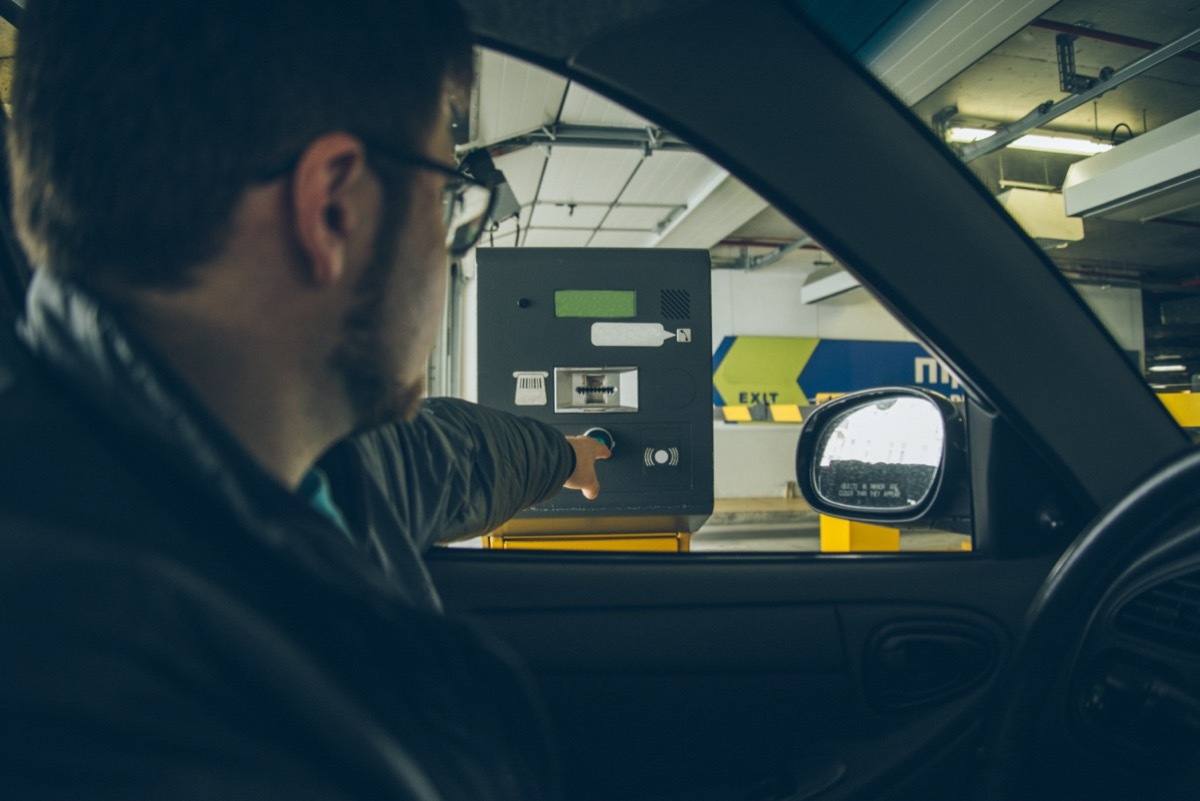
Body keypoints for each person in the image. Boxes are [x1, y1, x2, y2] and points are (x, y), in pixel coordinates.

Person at [0, 1, 609, 799]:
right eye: (446, 199)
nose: (445, 240)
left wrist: (569, 454)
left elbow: (455, 457)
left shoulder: (306, 455)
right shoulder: (108, 702)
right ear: (333, 209)